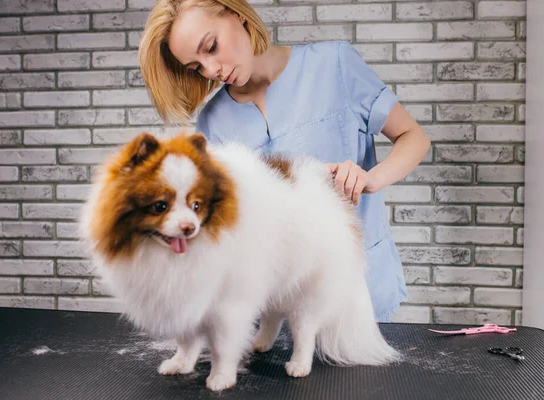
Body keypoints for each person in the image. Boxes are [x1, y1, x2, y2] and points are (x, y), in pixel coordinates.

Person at [138, 0, 431, 322]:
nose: (211, 70)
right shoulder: (212, 122)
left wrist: (370, 178)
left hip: (357, 290)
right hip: (272, 307)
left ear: (235, 15)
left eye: (211, 47)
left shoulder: (334, 65)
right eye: (195, 68)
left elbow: (413, 136)